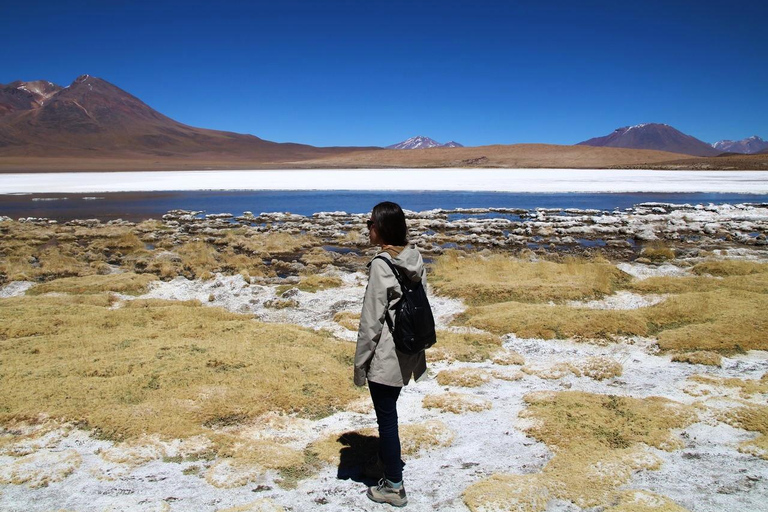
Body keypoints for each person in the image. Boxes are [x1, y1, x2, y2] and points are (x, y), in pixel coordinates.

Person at [354, 201, 428, 507]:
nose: (367, 228)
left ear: (381, 227)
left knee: (386, 418)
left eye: (370, 222)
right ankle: (386, 463)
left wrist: (360, 365)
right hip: (409, 349)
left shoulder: (383, 265)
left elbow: (371, 322)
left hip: (387, 355)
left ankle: (394, 486)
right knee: (390, 412)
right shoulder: (413, 257)